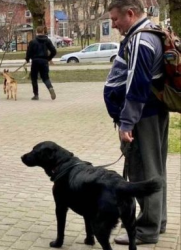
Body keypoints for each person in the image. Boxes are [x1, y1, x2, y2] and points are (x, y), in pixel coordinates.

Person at [104, 0, 169, 245]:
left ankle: (146, 229)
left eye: (115, 19)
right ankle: (157, 221)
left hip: (143, 117)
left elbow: (137, 86)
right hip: (151, 113)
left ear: (130, 13)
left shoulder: (141, 41)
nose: (114, 25)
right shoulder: (149, 33)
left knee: (144, 172)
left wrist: (127, 123)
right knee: (155, 170)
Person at [25, 26, 57, 101]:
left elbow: (29, 52)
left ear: (36, 32)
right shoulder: (47, 41)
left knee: (34, 78)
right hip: (44, 61)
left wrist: (27, 59)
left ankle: (36, 95)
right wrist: (49, 58)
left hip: (35, 61)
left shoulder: (33, 41)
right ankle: (50, 87)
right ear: (43, 32)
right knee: (45, 77)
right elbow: (54, 51)